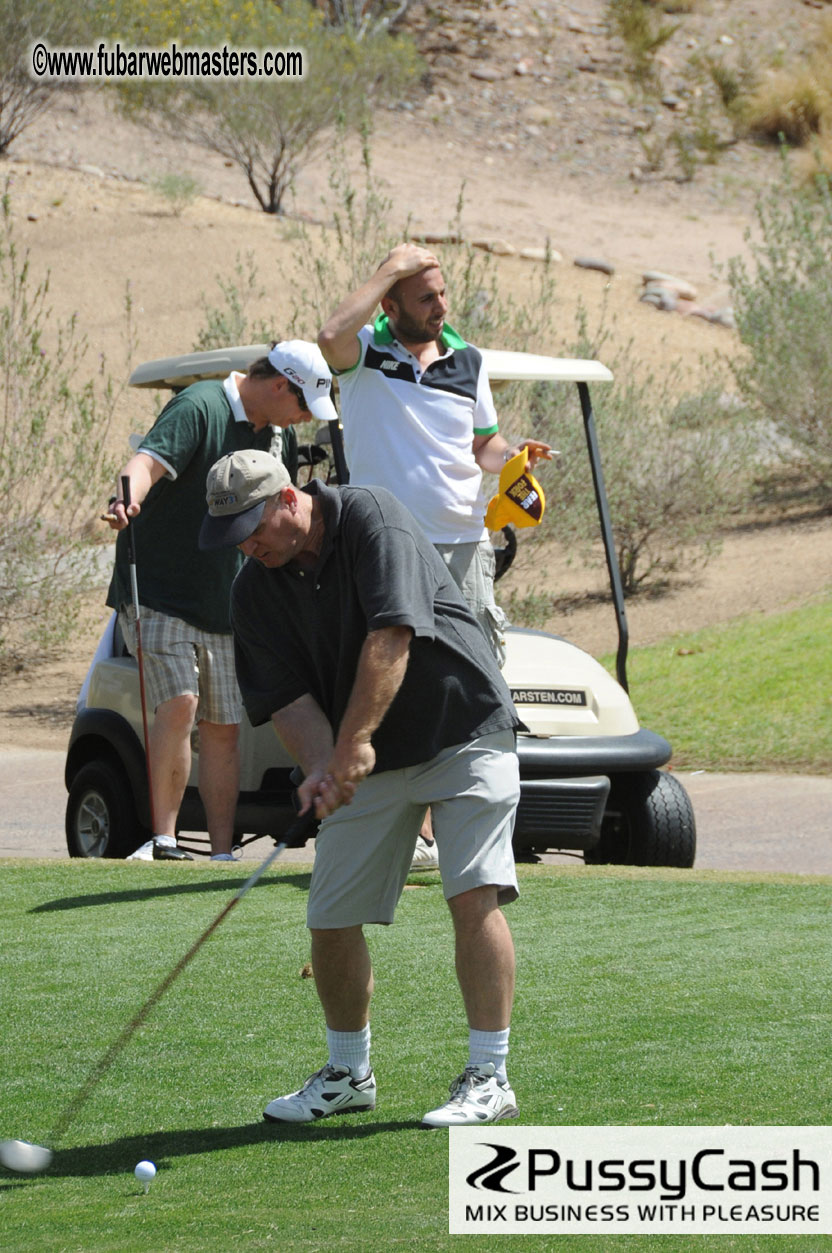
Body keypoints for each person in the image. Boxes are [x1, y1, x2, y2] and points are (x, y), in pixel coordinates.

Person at [200, 448, 522, 1127]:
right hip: (367, 748)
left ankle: (489, 1076)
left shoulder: (371, 516)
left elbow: (392, 636)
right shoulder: (253, 589)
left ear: (289, 499)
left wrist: (352, 745)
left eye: (252, 531)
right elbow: (286, 698)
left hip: (463, 723)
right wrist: (322, 766)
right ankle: (350, 1071)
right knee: (330, 913)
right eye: (233, 539)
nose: (247, 548)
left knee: (472, 892)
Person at [318, 241, 551, 869]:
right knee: (390, 674)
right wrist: (389, 267)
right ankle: (407, 831)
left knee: (474, 675)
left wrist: (516, 459)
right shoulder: (365, 352)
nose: (440, 306)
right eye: (425, 297)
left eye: (443, 293)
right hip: (387, 542)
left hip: (464, 543)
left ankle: (466, 825)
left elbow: (483, 446)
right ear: (390, 302)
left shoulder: (468, 360)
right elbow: (329, 334)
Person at [104, 341, 337, 862]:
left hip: (228, 604)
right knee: (180, 704)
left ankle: (220, 852)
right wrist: (127, 498)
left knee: (224, 728)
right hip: (161, 592)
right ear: (280, 385)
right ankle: (162, 841)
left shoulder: (281, 435)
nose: (302, 417)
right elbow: (146, 461)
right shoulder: (201, 405)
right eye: (302, 404)